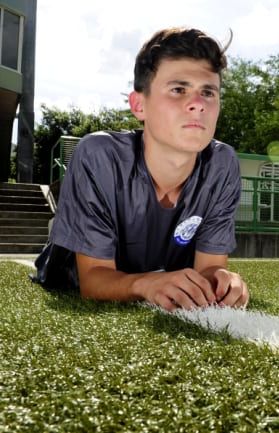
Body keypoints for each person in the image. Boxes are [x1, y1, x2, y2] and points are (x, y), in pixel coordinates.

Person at [31, 27, 249, 311]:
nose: (197, 104)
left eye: (208, 92)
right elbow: (93, 280)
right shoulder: (99, 155)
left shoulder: (222, 163)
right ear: (139, 105)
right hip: (72, 277)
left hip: (162, 267)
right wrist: (146, 284)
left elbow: (208, 268)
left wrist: (220, 280)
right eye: (178, 89)